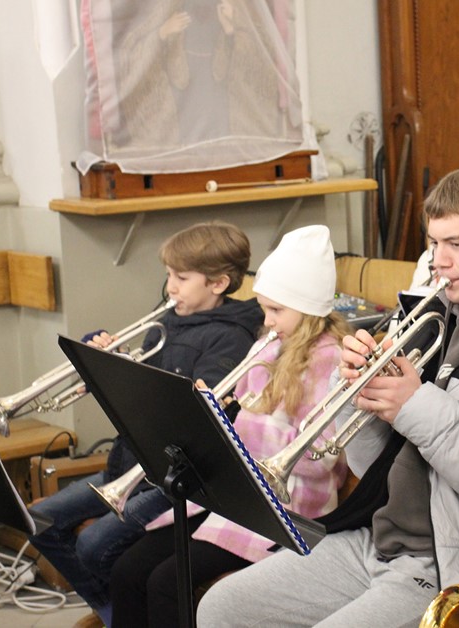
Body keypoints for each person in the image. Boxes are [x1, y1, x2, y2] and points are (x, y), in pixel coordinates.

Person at [197, 162, 459, 626]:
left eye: (457, 244)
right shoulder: (427, 320)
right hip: (378, 539)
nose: (438, 261)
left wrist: (412, 404)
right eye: (434, 243)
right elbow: (366, 466)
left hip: (457, 565)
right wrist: (355, 391)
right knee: (222, 608)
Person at [107, 225, 350, 627]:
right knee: (127, 570)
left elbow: (322, 459)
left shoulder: (330, 359)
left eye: (277, 311)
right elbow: (239, 416)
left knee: (167, 583)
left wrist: (240, 424)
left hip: (288, 508)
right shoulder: (270, 344)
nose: (267, 321)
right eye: (265, 308)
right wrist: (208, 412)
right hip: (233, 495)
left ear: (308, 310)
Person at [29, 221, 264, 626]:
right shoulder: (170, 319)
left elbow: (191, 416)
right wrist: (105, 363)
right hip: (127, 464)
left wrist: (127, 382)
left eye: (181, 278)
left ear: (218, 283)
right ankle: (113, 611)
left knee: (93, 547)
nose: (170, 287)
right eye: (169, 274)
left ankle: (124, 613)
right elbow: (139, 392)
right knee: (38, 520)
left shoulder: (230, 339)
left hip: (169, 479)